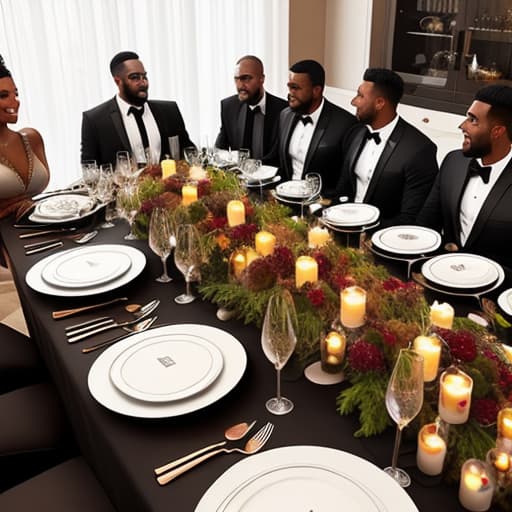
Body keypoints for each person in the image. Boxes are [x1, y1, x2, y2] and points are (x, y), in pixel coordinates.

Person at [417, 84, 512, 272]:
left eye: (473, 120)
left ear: (497, 131)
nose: (462, 126)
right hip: (442, 275)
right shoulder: (453, 161)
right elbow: (426, 224)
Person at [334, 68, 438, 227]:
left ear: (380, 103)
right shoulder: (356, 133)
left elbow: (411, 219)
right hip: (343, 228)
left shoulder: (420, 150)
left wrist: (364, 233)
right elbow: (342, 189)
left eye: (360, 96)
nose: (354, 102)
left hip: (381, 239)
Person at [81, 51, 195, 167]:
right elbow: (89, 169)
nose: (143, 82)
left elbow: (189, 152)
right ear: (117, 81)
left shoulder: (169, 111)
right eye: (135, 77)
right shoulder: (94, 120)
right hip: (123, 185)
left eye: (144, 76)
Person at [275, 59, 357, 194]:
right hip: (285, 198)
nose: (290, 93)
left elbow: (346, 180)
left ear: (316, 91)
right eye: (289, 87)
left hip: (322, 204)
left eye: (295, 88)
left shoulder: (346, 124)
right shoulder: (285, 115)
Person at [0, 55, 49, 220]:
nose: (15, 102)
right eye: (3, 95)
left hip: (40, 231)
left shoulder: (32, 138)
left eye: (16, 93)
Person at [215, 55, 287, 161]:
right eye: (237, 79)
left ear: (262, 79)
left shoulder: (283, 110)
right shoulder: (228, 107)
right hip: (238, 175)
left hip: (273, 176)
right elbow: (220, 148)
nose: (240, 85)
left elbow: (282, 156)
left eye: (246, 78)